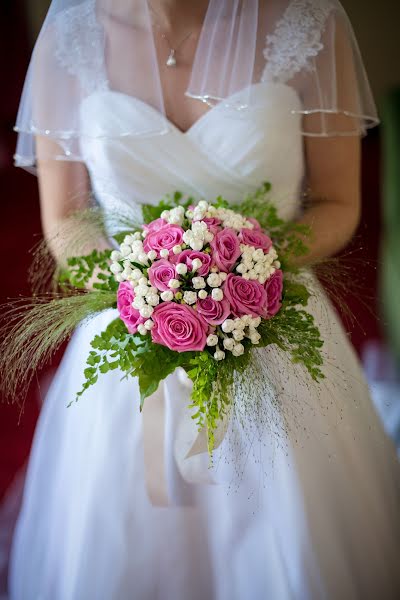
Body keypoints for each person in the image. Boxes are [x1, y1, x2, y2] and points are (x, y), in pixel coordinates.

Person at [8, 1, 400, 598]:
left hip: (274, 324)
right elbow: (65, 221)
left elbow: (338, 203)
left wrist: (246, 268)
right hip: (130, 326)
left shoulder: (309, 23)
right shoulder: (72, 35)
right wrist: (148, 284)